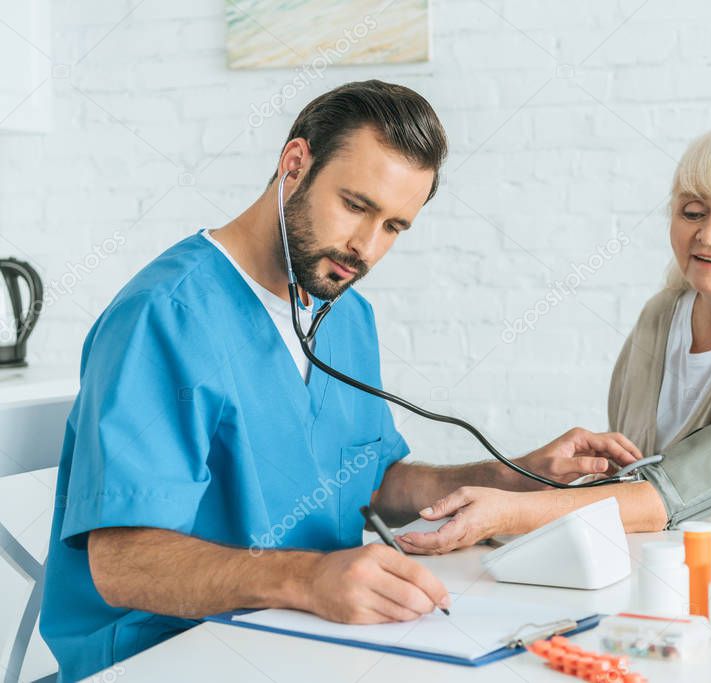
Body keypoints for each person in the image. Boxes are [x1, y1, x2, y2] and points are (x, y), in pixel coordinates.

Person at [39, 80, 643, 682]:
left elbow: (371, 483)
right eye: (356, 205)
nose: (366, 247)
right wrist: (307, 579)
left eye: (394, 227)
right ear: (295, 165)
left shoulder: (344, 314)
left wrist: (510, 474)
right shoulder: (164, 315)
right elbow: (122, 564)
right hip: (165, 656)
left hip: (311, 639)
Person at [396, 126, 711, 556]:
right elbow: (642, 484)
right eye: (693, 211)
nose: (710, 234)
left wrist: (513, 512)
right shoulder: (662, 318)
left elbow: (686, 488)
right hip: (685, 574)